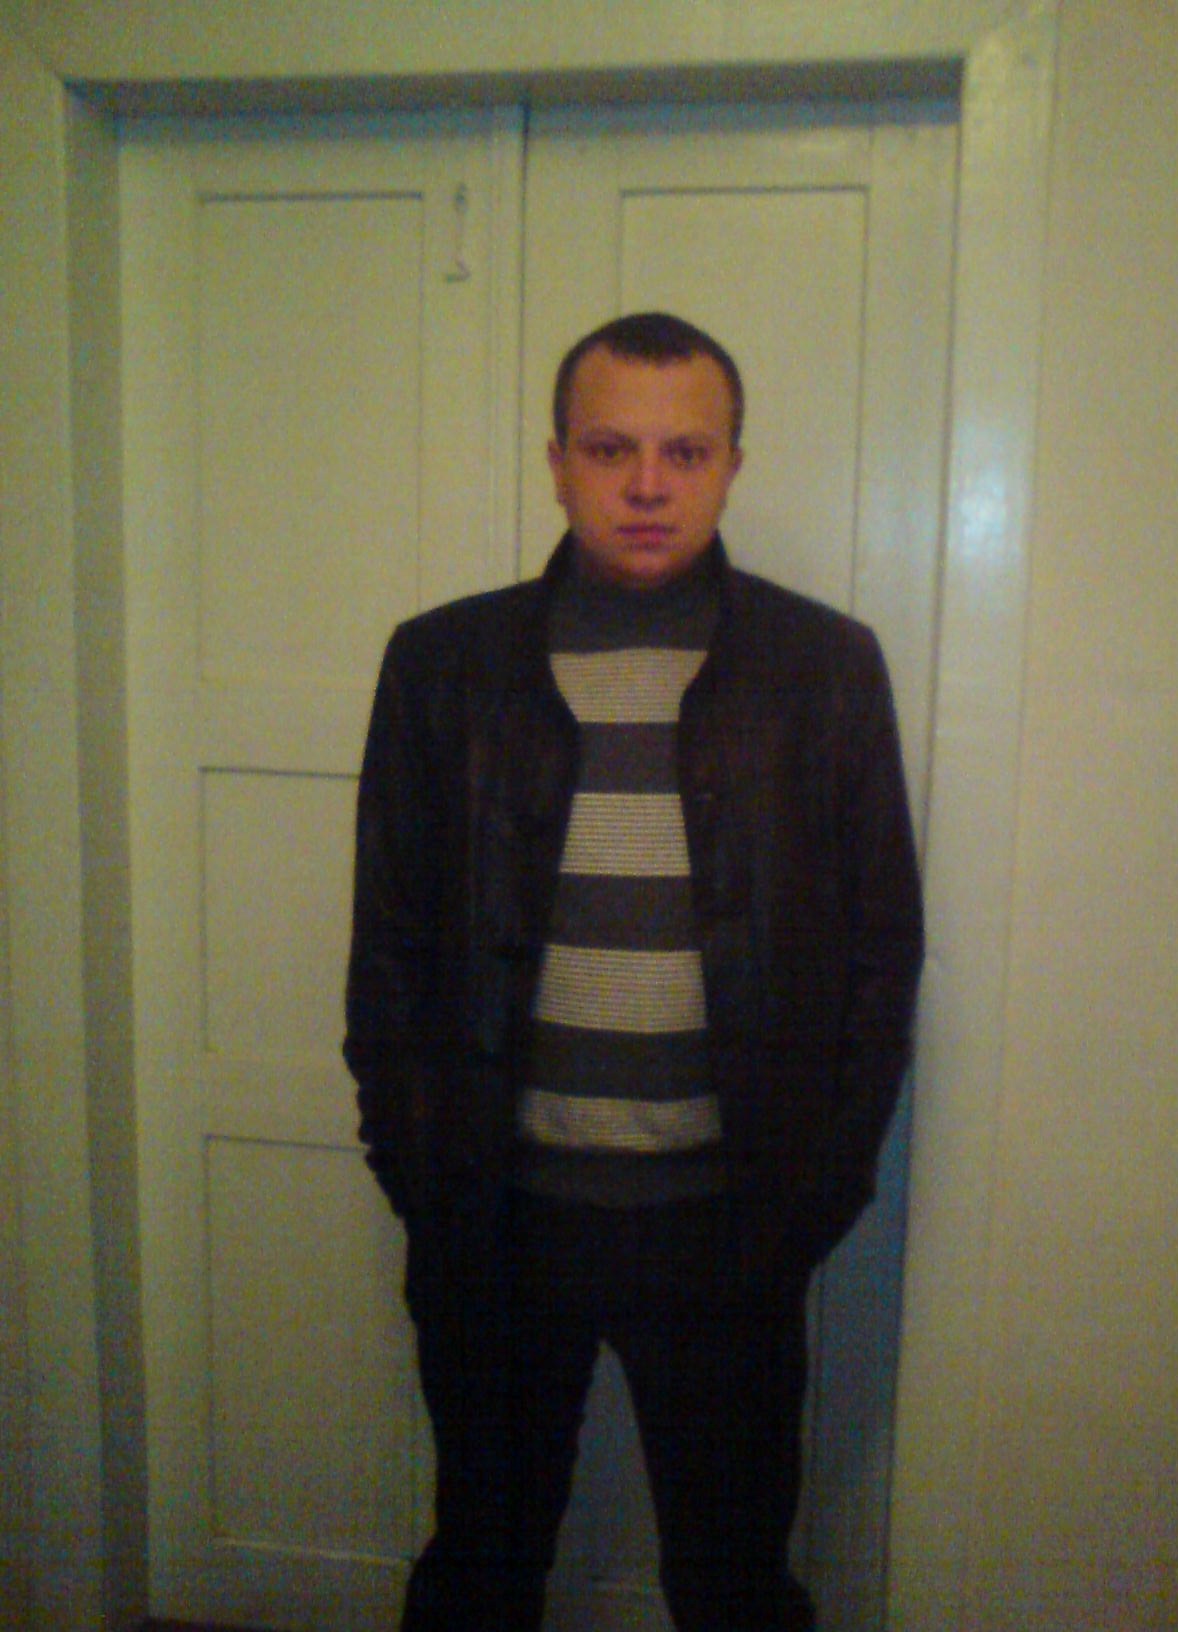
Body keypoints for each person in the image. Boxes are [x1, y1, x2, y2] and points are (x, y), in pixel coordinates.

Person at [343, 311, 924, 1632]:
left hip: (727, 1230)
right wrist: (417, 1169)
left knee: (732, 1583)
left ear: (732, 466)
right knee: (481, 1567)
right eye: (611, 449)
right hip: (497, 1223)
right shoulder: (442, 665)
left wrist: (811, 1197)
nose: (648, 484)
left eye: (685, 452)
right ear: (557, 462)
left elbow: (882, 954)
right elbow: (388, 948)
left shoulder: (825, 669)